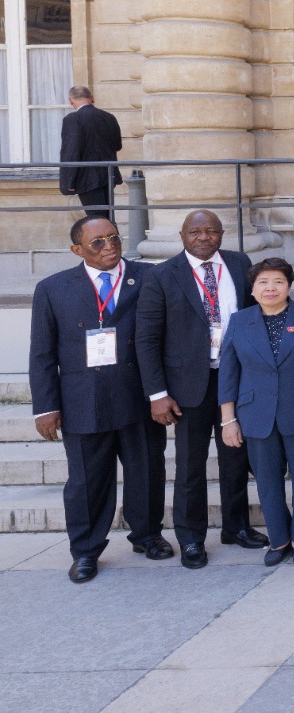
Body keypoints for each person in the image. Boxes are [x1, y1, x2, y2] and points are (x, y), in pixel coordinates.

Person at [30, 218, 167, 583]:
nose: (109, 246)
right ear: (77, 250)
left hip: (139, 395)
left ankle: (148, 536)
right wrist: (46, 407)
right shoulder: (53, 288)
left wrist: (162, 393)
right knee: (87, 482)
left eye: (114, 238)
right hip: (83, 400)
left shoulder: (149, 277)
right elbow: (42, 354)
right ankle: (86, 551)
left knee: (147, 471)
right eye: (98, 242)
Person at [134, 210, 266, 568]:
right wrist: (157, 394)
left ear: (222, 234)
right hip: (187, 386)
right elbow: (146, 339)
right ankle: (191, 538)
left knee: (235, 459)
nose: (203, 238)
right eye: (195, 232)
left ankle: (236, 527)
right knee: (191, 466)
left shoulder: (239, 264)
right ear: (182, 236)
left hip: (234, 378)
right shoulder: (161, 275)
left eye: (211, 231)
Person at [219, 258, 294, 565]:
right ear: (253, 288)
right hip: (255, 414)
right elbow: (228, 373)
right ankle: (279, 539)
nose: (270, 288)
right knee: (267, 481)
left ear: (289, 286)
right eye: (263, 282)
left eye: (278, 281)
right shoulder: (240, 321)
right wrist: (228, 419)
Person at [58, 86, 123, 219]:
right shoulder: (109, 117)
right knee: (108, 218)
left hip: (86, 178)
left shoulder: (73, 119)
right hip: (108, 175)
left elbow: (70, 152)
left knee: (96, 218)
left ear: (71, 100)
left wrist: (68, 182)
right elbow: (117, 145)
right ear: (92, 98)